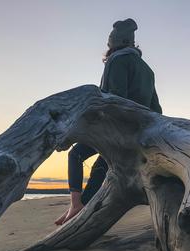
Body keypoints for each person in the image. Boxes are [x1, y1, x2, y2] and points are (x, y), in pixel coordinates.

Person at [55, 18, 163, 225]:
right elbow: (156, 109)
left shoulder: (117, 60)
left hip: (114, 126)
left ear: (115, 42)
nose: (107, 47)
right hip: (137, 132)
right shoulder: (148, 70)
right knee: (104, 164)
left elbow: (113, 99)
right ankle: (80, 209)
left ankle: (76, 205)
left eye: (108, 43)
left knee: (76, 155)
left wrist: (90, 123)